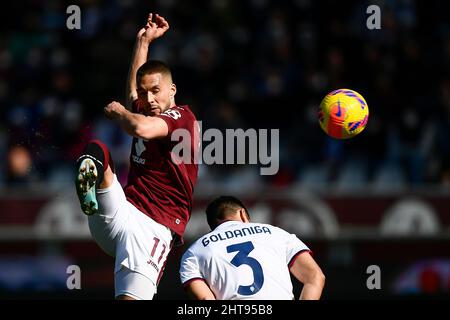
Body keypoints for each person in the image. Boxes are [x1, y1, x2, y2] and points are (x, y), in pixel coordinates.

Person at [75, 13, 199, 300]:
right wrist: (143, 41)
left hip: (152, 226)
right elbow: (134, 90)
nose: (150, 99)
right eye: (146, 94)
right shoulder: (145, 105)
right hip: (121, 211)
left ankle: (89, 178)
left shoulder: (182, 117)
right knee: (98, 152)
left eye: (156, 91)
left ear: (172, 90)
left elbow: (141, 127)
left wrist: (119, 111)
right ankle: (87, 184)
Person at [179, 196, 325, 300]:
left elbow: (205, 298)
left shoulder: (194, 252)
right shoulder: (277, 233)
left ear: (212, 226)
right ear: (243, 214)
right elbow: (315, 277)